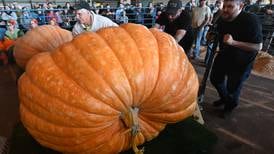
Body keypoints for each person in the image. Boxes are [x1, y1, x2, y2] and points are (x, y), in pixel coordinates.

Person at [210, 0, 263, 117]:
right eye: (224, 6)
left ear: (241, 6)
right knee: (215, 78)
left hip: (242, 60)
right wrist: (212, 35)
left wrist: (233, 42)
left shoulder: (251, 20)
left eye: (230, 7)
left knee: (232, 87)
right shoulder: (222, 18)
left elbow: (258, 46)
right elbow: (218, 33)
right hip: (225, 54)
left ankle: (230, 106)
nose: (225, 9)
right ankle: (225, 98)